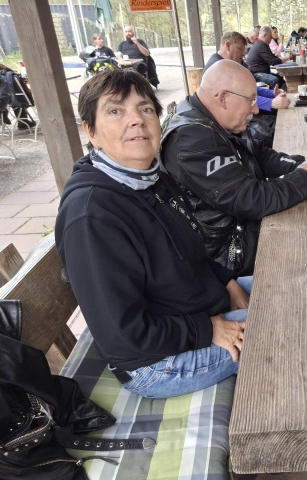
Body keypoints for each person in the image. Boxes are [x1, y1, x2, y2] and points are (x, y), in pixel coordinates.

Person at [55, 68, 250, 398]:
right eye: (115, 111)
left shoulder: (151, 179)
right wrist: (208, 327)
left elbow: (192, 251)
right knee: (284, 322)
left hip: (192, 310)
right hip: (157, 362)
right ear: (91, 131)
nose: (136, 120)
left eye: (145, 108)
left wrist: (228, 281)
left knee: (284, 288)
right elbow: (123, 334)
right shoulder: (92, 216)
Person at [160, 60, 307, 277]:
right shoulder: (192, 140)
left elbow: (257, 154)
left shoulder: (207, 117)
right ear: (223, 98)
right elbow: (249, 198)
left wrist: (300, 166)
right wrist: (303, 179)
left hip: (239, 228)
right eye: (250, 100)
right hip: (228, 255)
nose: (256, 109)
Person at [204, 31, 290, 113]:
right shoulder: (218, 67)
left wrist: (271, 93)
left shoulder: (226, 63)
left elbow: (246, 89)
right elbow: (238, 97)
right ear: (228, 46)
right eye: (240, 49)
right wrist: (270, 103)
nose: (243, 54)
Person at [245, 26, 290, 90]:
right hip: (255, 73)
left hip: (260, 71)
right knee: (274, 80)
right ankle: (272, 96)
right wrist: (286, 57)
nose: (271, 39)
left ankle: (282, 94)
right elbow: (273, 61)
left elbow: (272, 57)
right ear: (265, 36)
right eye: (270, 37)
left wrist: (279, 57)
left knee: (280, 78)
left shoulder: (262, 44)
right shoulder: (261, 45)